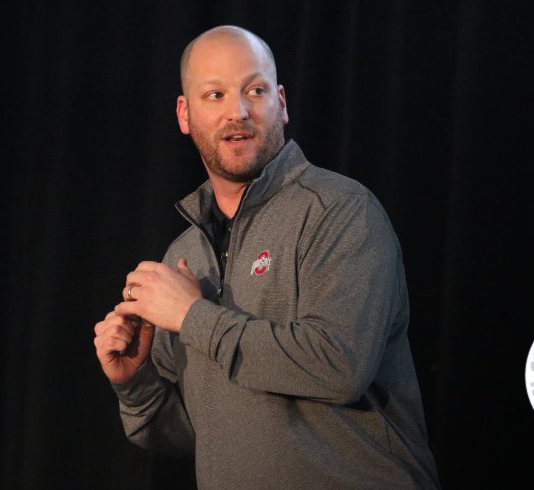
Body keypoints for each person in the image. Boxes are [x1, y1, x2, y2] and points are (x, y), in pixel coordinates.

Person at [93, 25, 440, 489]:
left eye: (253, 90)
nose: (237, 111)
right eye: (214, 94)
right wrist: (135, 384)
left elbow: (339, 368)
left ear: (281, 102)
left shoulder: (340, 210)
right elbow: (203, 434)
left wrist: (194, 316)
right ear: (184, 113)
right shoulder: (184, 256)